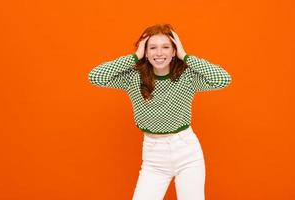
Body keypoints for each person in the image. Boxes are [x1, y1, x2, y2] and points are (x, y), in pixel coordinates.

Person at [88, 24, 232, 200]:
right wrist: (134, 57)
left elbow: (223, 79)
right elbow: (95, 76)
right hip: (154, 156)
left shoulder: (187, 77)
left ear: (174, 51)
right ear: (145, 52)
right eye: (152, 47)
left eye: (166, 47)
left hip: (187, 152)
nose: (159, 53)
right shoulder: (133, 77)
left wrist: (185, 56)